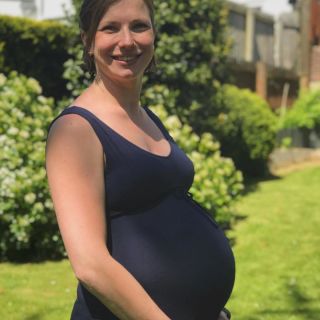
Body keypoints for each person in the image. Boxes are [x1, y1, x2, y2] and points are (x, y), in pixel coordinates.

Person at [45, 0, 235, 319]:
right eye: (110, 28)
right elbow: (90, 263)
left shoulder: (146, 116)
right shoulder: (76, 130)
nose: (127, 41)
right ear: (88, 42)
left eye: (139, 26)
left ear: (154, 35)